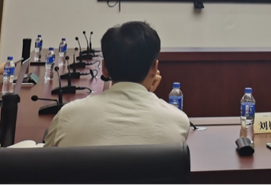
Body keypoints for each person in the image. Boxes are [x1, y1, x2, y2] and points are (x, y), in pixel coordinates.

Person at [44, 21, 189, 147]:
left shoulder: (67, 116)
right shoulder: (178, 121)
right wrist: (145, 94)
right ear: (154, 68)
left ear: (104, 68)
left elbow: (43, 164)